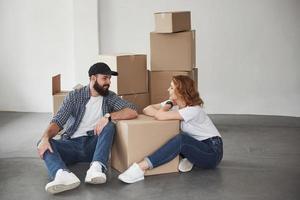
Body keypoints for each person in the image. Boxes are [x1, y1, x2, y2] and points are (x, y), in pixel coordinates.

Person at [37, 62, 138, 194]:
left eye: (109, 78)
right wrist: (45, 137)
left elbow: (133, 110)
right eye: (105, 78)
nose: (108, 82)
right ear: (93, 78)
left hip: (94, 146)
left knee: (109, 125)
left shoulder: (110, 97)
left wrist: (108, 116)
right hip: (71, 145)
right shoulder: (75, 96)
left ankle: (96, 168)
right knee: (43, 142)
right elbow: (58, 121)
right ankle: (62, 174)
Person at [118, 75, 223, 183]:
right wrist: (167, 105)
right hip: (197, 144)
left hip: (212, 151)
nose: (168, 89)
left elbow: (160, 116)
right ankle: (190, 159)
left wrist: (162, 111)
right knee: (176, 136)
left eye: (172, 87)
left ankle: (140, 168)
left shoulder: (193, 110)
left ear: (181, 91)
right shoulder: (175, 104)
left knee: (181, 139)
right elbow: (147, 109)